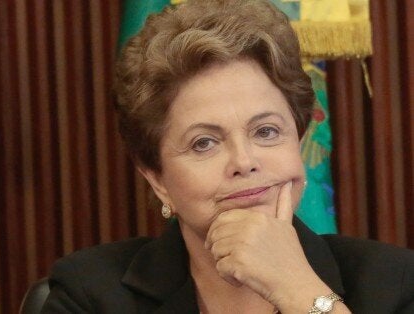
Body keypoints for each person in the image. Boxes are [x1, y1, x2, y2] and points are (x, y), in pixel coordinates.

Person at [40, 0, 414, 313]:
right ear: (157, 178)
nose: (244, 161)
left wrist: (299, 290)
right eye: (204, 142)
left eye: (266, 131)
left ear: (298, 143)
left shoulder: (395, 284)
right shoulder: (89, 295)